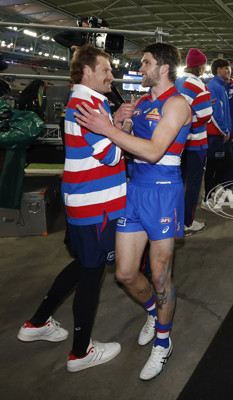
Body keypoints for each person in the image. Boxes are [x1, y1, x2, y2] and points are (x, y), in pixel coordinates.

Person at [74, 42, 192, 379]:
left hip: (164, 193)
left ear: (163, 68)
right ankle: (154, 313)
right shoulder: (141, 103)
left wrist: (106, 128)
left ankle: (163, 343)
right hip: (134, 189)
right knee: (125, 273)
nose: (140, 69)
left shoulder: (178, 104)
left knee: (159, 276)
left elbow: (155, 151)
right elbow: (127, 146)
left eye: (146, 63)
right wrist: (120, 123)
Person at [17, 44, 131, 372]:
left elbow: (101, 144)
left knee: (83, 264)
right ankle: (80, 354)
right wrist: (120, 128)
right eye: (106, 69)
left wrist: (116, 121)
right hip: (96, 205)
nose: (112, 75)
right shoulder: (86, 105)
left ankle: (37, 322)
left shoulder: (92, 102)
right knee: (92, 273)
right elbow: (110, 155)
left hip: (89, 201)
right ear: (87, 71)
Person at [174, 48, 213, 235]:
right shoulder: (199, 85)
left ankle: (172, 220)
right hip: (195, 142)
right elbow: (206, 115)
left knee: (176, 183)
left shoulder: (175, 81)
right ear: (202, 66)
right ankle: (187, 223)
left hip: (174, 142)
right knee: (193, 184)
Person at [204, 58, 233, 209]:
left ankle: (211, 195)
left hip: (218, 134)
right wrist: (225, 131)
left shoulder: (220, 86)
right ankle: (207, 199)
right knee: (213, 167)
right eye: (226, 68)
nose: (228, 71)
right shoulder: (213, 87)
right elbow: (215, 113)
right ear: (219, 69)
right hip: (214, 135)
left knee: (221, 165)